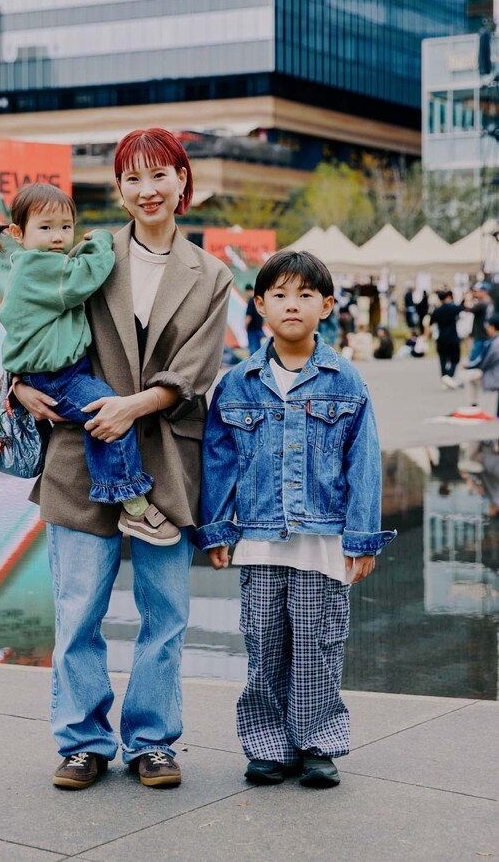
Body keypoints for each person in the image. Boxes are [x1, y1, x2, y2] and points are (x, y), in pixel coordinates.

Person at [12, 129, 233, 790]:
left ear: (182, 180)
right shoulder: (85, 253)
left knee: (166, 615)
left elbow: (196, 370)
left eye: (159, 175)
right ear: (118, 189)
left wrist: (133, 407)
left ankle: (151, 741)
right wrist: (18, 385)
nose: (147, 190)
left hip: (166, 461)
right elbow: (30, 320)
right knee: (78, 610)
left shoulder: (211, 274)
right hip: (81, 453)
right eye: (132, 179)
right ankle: (82, 741)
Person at [197, 250, 396, 789]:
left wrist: (362, 539)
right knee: (264, 644)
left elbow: (364, 462)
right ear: (259, 305)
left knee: (317, 646)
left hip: (323, 541)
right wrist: (216, 529)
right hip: (259, 540)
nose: (293, 305)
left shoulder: (345, 380)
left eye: (306, 295)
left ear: (326, 306)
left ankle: (316, 743)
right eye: (280, 295)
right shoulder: (237, 383)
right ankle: (268, 745)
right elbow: (218, 461)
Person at [0, 183, 179, 545]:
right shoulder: (41, 267)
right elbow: (85, 277)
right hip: (58, 377)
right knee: (108, 414)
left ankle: (117, 489)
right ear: (18, 233)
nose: (58, 237)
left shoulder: (36, 266)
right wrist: (102, 241)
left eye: (66, 227)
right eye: (45, 227)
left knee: (98, 415)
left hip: (54, 373)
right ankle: (131, 502)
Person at [430, 290, 464, 389]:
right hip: (452, 337)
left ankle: (444, 378)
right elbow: (462, 307)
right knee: (455, 358)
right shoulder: (452, 308)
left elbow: (431, 322)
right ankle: (449, 376)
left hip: (441, 338)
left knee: (443, 360)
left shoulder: (437, 310)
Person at [245, 283, 264, 354]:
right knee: (258, 350)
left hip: (252, 328)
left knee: (253, 350)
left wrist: (246, 326)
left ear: (248, 290)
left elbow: (249, 315)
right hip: (259, 327)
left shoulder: (251, 300)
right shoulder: (259, 300)